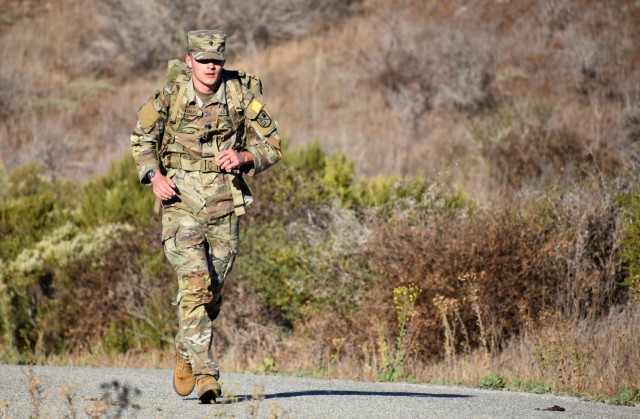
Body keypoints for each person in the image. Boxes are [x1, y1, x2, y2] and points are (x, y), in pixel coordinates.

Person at [129, 29, 282, 404]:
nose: (210, 67)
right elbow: (141, 142)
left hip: (224, 205)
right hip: (180, 203)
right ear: (189, 61)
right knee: (195, 284)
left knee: (211, 294)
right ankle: (206, 375)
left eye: (217, 61)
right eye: (203, 60)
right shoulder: (169, 97)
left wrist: (245, 157)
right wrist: (154, 176)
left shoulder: (240, 96)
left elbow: (273, 146)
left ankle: (186, 349)